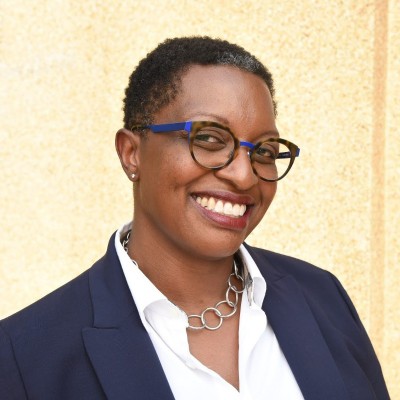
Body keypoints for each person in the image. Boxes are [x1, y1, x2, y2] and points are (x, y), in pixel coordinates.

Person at [0, 37, 389, 400]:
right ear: (132, 153)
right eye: (209, 139)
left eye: (265, 151)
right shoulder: (24, 356)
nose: (244, 176)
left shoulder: (323, 297)